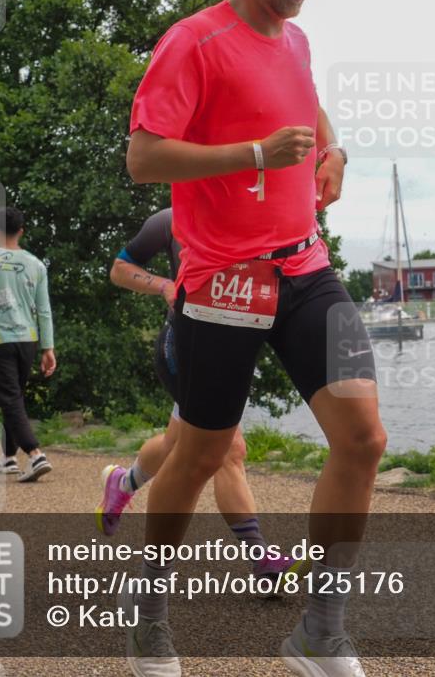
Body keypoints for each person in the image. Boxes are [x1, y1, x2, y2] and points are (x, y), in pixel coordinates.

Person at [123, 0, 385, 675]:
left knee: (363, 439)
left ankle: (320, 630)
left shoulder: (296, 43)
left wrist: (333, 152)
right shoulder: (194, 41)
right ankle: (149, 620)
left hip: (306, 267)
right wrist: (254, 155)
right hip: (225, 277)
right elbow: (143, 156)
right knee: (201, 452)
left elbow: (309, 111)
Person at [99, 207, 298, 588]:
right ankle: (263, 560)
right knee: (228, 448)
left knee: (178, 443)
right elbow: (119, 269)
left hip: (231, 348)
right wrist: (162, 285)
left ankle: (123, 483)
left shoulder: (259, 214)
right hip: (183, 348)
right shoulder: (171, 218)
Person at [0, 207, 56, 482]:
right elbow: (45, 310)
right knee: (13, 398)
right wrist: (48, 347)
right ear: (21, 232)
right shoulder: (36, 264)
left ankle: (35, 453)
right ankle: (7, 458)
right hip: (27, 340)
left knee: (10, 398)